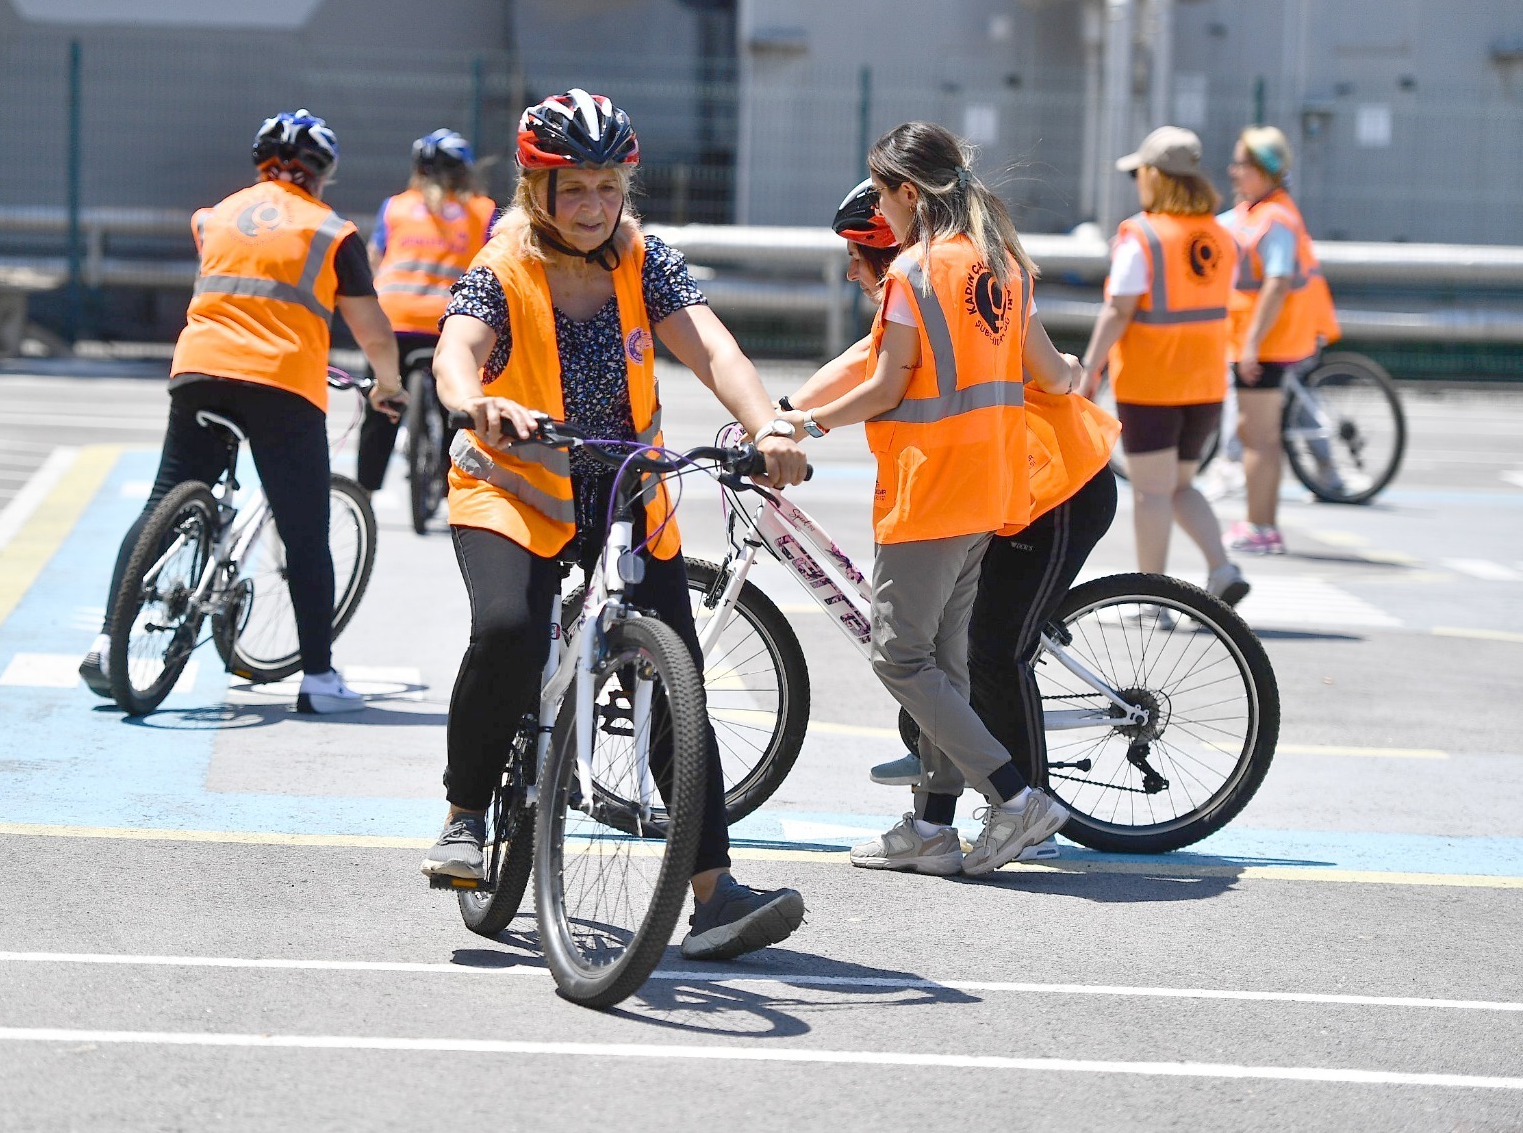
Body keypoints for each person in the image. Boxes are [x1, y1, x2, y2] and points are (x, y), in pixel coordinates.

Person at [426, 89, 808, 960]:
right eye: (577, 188)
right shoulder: (504, 265)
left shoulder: (645, 259)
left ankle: (713, 896)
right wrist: (472, 402)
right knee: (511, 630)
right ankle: (463, 813)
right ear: (537, 189)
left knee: (679, 677)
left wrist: (769, 425)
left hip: (627, 490)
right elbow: (456, 348)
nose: (597, 207)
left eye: (610, 186)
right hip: (513, 489)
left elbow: (710, 346)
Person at [791, 173, 1120, 875]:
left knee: (985, 652)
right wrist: (783, 411)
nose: (851, 268)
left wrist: (797, 421)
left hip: (1045, 488)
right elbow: (868, 362)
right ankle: (934, 823)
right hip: (990, 490)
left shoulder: (934, 279)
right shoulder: (961, 274)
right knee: (947, 656)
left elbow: (878, 378)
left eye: (858, 250)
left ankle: (1022, 801)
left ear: (895, 223)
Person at [78, 110, 407, 712]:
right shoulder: (331, 232)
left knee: (166, 497)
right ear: (322, 173)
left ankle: (107, 642)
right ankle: (319, 680)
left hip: (199, 372)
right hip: (282, 383)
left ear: (261, 163)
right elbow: (375, 334)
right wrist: (387, 385)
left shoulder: (215, 216)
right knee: (304, 530)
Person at [1078, 127, 1247, 605]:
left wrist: (1091, 369)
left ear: (1154, 176)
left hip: (1153, 384)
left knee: (1152, 493)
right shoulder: (1221, 234)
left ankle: (1151, 599)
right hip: (1207, 384)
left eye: (1139, 173)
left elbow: (1118, 310)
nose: (1136, 182)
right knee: (1180, 486)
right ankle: (1223, 567)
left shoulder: (1144, 236)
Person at [1218, 125, 1339, 554]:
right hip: (1265, 341)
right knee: (1261, 437)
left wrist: (1251, 342)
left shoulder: (1275, 218)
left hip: (1266, 344)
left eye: (1242, 164)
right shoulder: (1262, 211)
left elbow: (1277, 281)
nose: (1233, 171)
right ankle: (1262, 524)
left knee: (1258, 437)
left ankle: (1260, 526)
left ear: (1266, 169)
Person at [356, 129, 497, 493]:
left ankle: (364, 491)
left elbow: (374, 259)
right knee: (457, 404)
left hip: (393, 320)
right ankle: (454, 487)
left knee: (380, 406)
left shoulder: (396, 206)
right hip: (450, 323)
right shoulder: (483, 212)